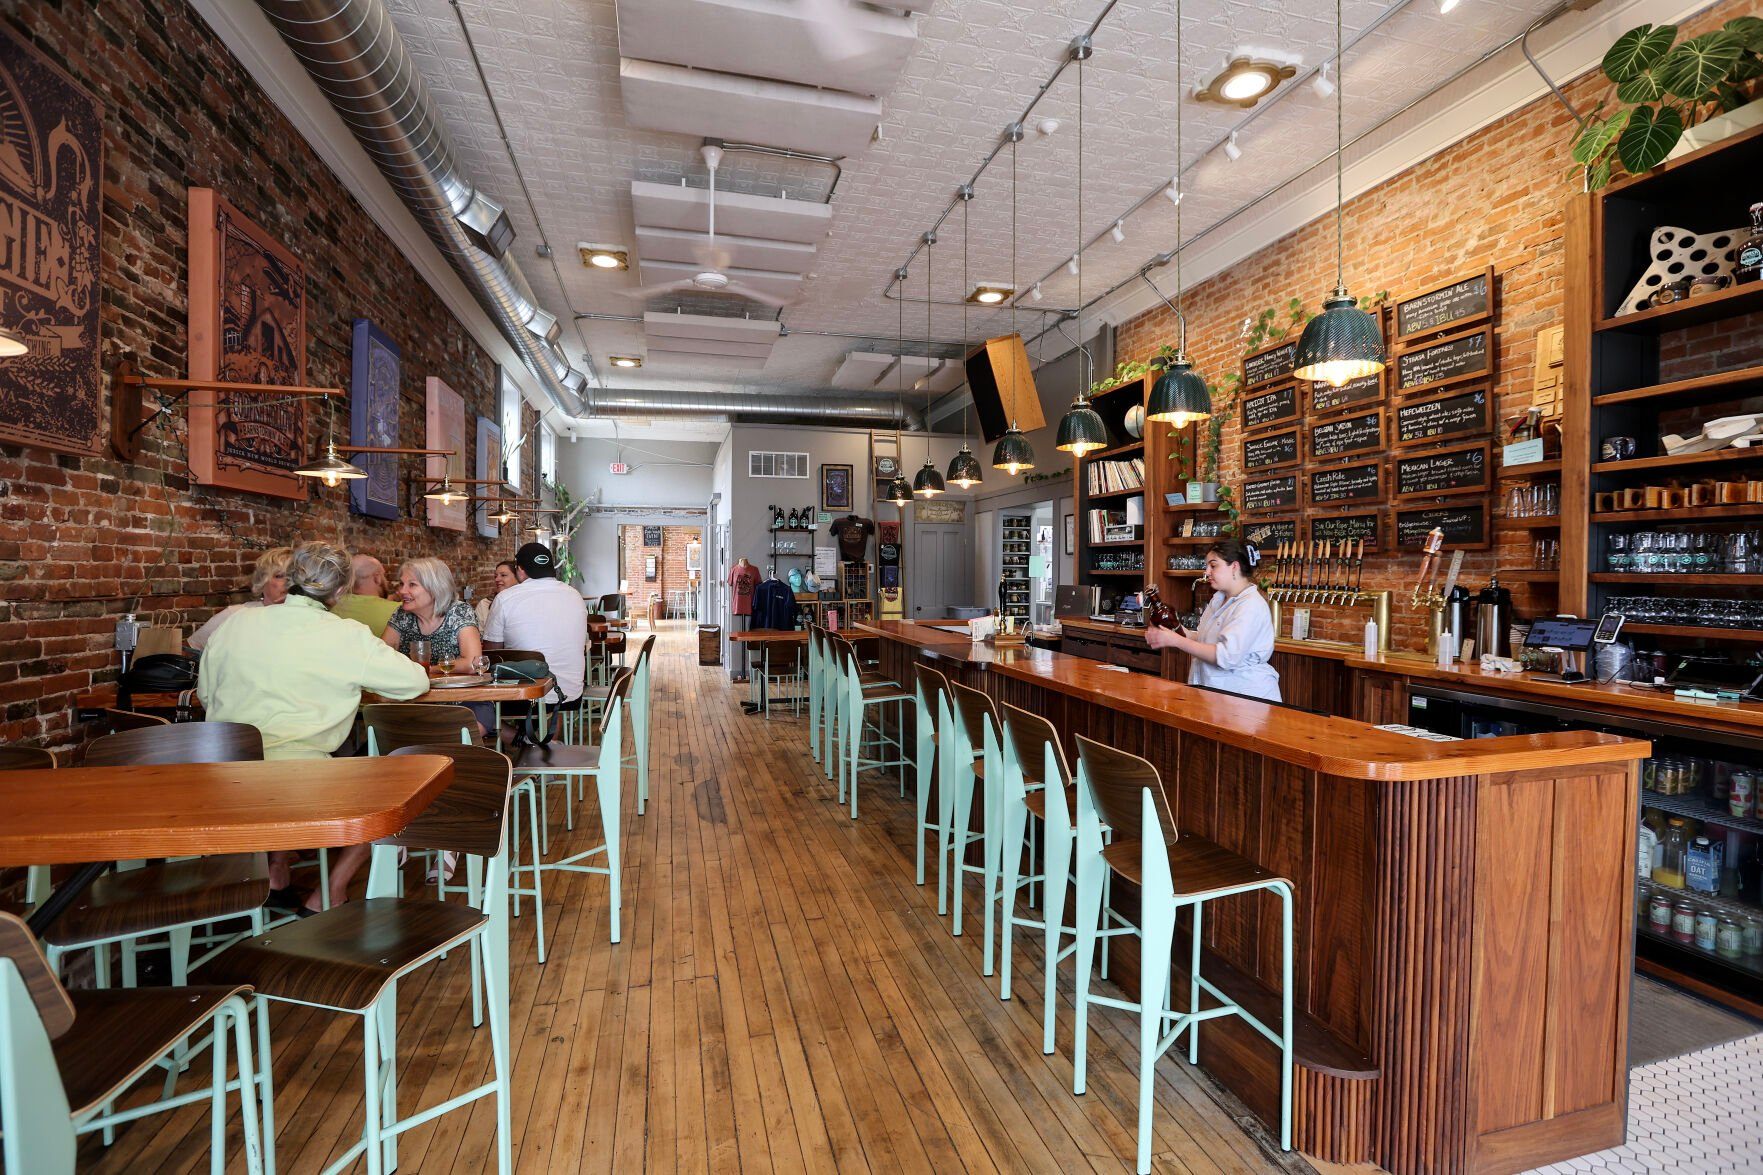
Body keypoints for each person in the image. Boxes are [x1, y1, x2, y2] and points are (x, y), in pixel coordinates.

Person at [197, 540, 430, 914]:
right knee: (398, 794)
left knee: (280, 785)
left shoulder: (236, 622)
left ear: (290, 579)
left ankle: (276, 871)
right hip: (303, 785)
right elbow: (415, 683)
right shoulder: (345, 634)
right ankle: (329, 892)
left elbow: (206, 695)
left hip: (224, 781)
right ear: (340, 591)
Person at [1144, 538, 1281, 703]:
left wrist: (1176, 640)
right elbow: (1203, 638)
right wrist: (1172, 631)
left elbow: (1225, 656)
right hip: (1214, 697)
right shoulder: (1218, 598)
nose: (1207, 571)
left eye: (1213, 565)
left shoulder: (1251, 605)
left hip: (1244, 700)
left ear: (1234, 567)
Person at [484, 541, 587, 711]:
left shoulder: (505, 598)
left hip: (523, 698)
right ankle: (545, 737)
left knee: (474, 707)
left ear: (520, 570)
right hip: (570, 696)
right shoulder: (575, 595)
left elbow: (492, 655)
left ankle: (517, 737)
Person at [383, 557, 483, 671]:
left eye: (412, 584)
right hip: (412, 687)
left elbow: (472, 663)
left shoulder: (459, 612)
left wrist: (426, 671)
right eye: (402, 584)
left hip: (451, 687)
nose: (402, 591)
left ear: (435, 588)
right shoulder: (402, 614)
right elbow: (382, 656)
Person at [188, 546, 292, 651]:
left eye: (293, 577)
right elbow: (192, 647)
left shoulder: (304, 617)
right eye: (279, 576)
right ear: (262, 580)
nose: (288, 582)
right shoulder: (235, 614)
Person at [331, 553, 400, 633]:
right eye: (383, 575)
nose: (385, 579)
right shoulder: (398, 612)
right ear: (377, 578)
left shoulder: (332, 606)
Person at [476, 559, 519, 627]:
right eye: (495, 576)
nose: (497, 579)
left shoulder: (526, 602)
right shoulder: (485, 604)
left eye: (503, 575)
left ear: (518, 577)